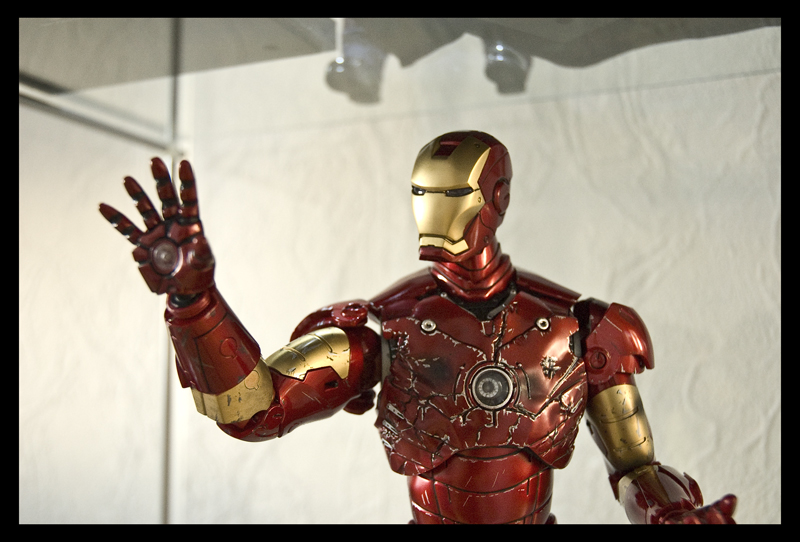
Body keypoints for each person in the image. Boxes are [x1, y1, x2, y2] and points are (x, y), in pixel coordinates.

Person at [100, 130, 736, 524]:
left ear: (496, 199)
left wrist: (671, 514)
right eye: (421, 192)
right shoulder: (384, 327)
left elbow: (637, 468)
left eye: (452, 193)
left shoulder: (582, 326)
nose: (433, 210)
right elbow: (253, 409)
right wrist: (196, 304)